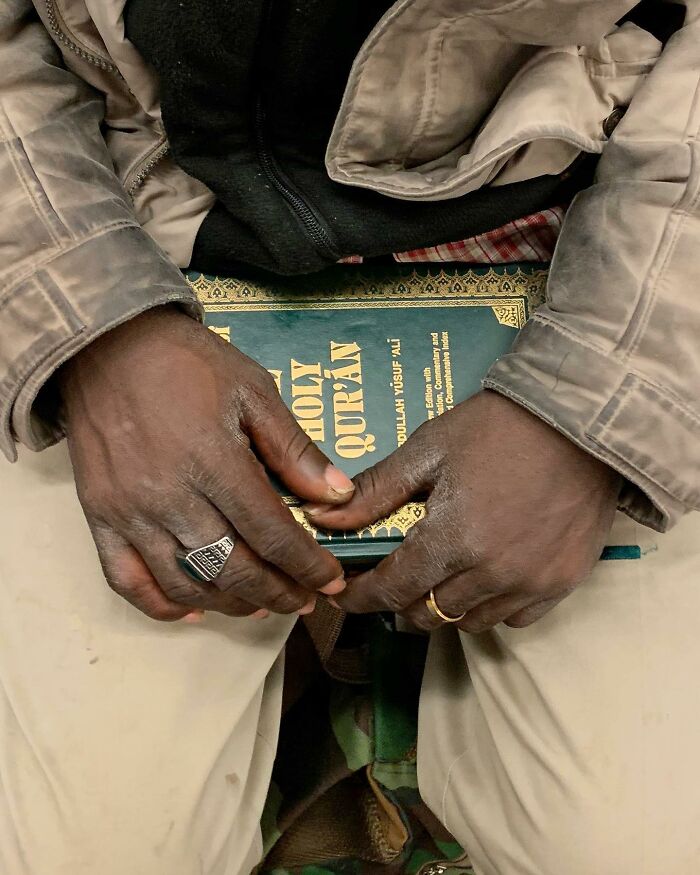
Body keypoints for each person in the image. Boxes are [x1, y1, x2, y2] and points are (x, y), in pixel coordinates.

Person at [0, 1, 698, 873]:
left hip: (600, 254)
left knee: (638, 850)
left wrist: (600, 401)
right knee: (84, 852)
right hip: (132, 226)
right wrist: (93, 329)